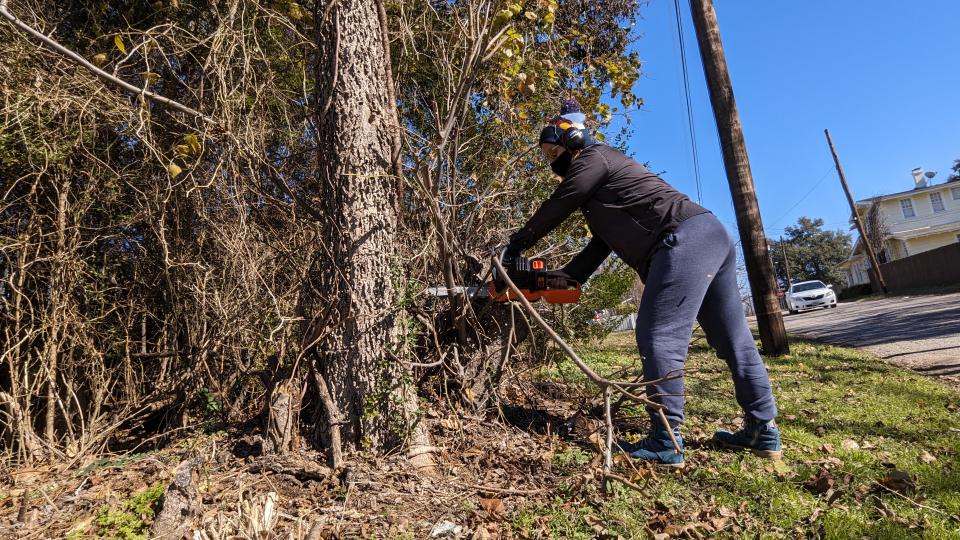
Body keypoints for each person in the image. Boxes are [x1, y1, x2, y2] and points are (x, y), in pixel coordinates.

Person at [506, 99, 781, 466]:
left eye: (554, 151)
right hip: (709, 236)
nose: (552, 161)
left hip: (684, 238)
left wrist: (517, 242)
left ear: (574, 141)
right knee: (733, 339)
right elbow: (582, 267)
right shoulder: (606, 203)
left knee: (658, 335)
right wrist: (535, 280)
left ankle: (665, 440)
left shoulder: (595, 158)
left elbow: (563, 199)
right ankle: (763, 429)